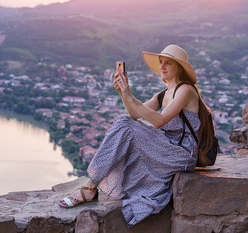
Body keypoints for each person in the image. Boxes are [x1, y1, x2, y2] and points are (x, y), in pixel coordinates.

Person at [58, 44, 214, 226]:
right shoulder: (164, 94)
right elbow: (135, 115)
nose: (162, 66)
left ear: (178, 67)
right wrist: (123, 93)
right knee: (125, 122)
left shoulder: (186, 90)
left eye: (168, 63)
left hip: (181, 154)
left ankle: (90, 187)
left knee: (125, 124)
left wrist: (130, 96)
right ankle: (92, 185)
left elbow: (159, 120)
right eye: (161, 62)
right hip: (166, 147)